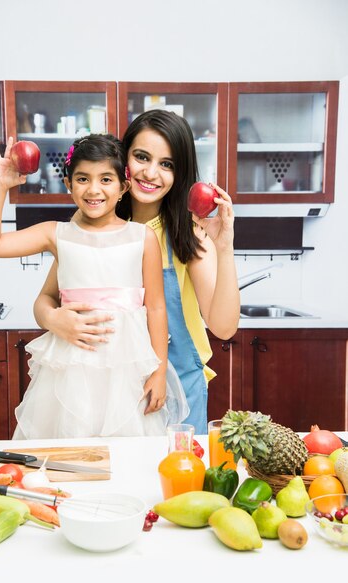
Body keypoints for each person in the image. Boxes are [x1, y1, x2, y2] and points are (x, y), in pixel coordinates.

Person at [33, 110, 240, 435]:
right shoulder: (90, 224)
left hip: (178, 390)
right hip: (103, 387)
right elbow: (46, 299)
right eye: (142, 157)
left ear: (180, 172)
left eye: (167, 164)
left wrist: (224, 246)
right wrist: (53, 319)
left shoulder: (189, 234)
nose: (151, 172)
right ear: (122, 160)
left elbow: (224, 327)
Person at [0, 133, 188, 438]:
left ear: (123, 187)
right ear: (68, 185)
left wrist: (158, 372)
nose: (93, 189)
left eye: (105, 179)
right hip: (70, 370)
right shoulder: (56, 234)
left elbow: (155, 307)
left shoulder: (142, 237)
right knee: (68, 453)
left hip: (125, 372)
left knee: (127, 455)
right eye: (82, 179)